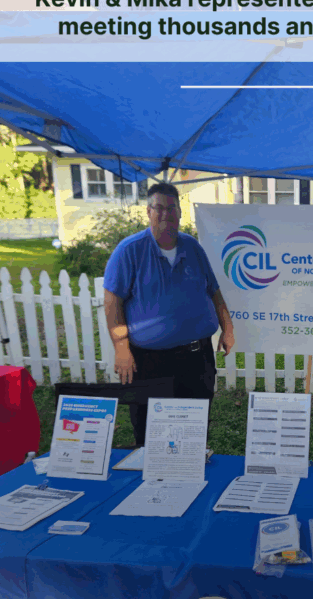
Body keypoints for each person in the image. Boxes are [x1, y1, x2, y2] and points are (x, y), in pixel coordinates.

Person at [103, 182, 235, 447]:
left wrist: (228, 328)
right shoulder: (130, 251)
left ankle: (190, 467)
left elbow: (214, 291)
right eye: (159, 208)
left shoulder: (192, 248)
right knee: (150, 432)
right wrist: (121, 349)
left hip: (197, 358)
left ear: (180, 212)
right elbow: (112, 301)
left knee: (194, 429)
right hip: (149, 361)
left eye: (171, 208)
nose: (165, 214)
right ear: (148, 212)